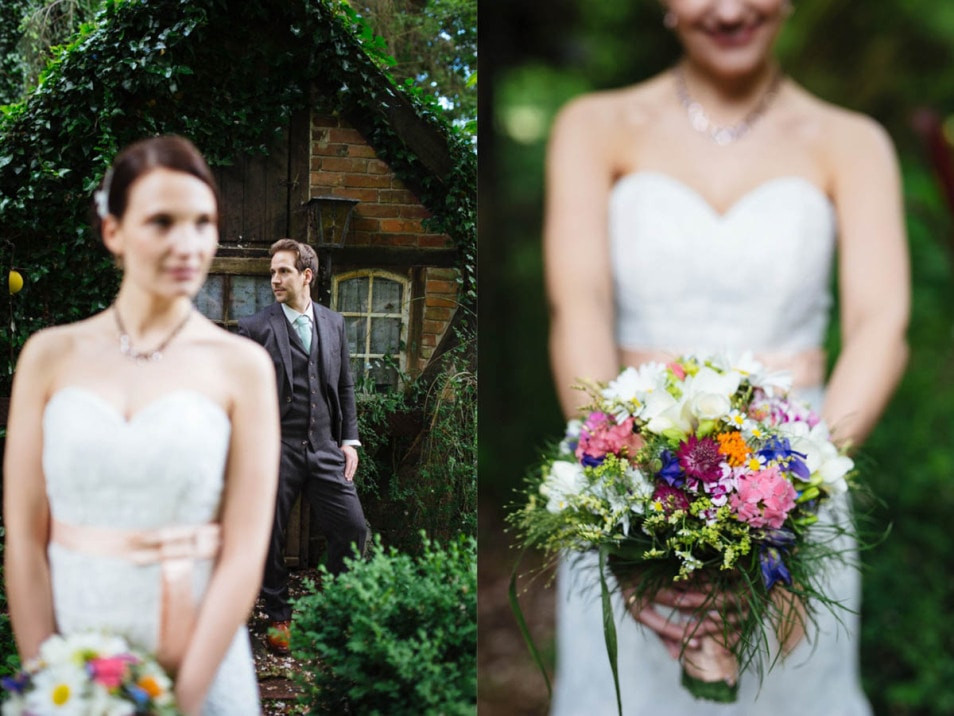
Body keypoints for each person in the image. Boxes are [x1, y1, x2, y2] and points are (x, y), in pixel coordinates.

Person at [543, 0, 909, 713]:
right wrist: (625, 496)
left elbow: (880, 322)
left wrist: (792, 500)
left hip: (800, 479)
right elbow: (578, 307)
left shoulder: (853, 140)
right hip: (631, 474)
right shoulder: (593, 126)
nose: (732, 9)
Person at [3, 135, 279, 715]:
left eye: (203, 222)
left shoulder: (244, 367)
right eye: (162, 221)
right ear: (114, 232)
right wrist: (51, 684)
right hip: (73, 663)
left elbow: (245, 554)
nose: (188, 244)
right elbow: (26, 541)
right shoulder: (47, 357)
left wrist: (184, 696)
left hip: (201, 663)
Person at [237, 238, 367, 655]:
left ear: (306, 275)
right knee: (268, 535)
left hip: (327, 446)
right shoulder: (256, 328)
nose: (275, 278)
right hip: (276, 448)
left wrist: (350, 441)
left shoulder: (334, 323)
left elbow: (345, 385)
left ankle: (336, 608)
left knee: (352, 526)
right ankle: (278, 616)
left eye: (283, 271)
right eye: (272, 271)